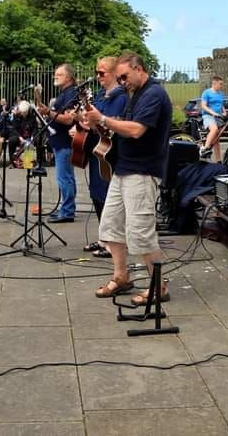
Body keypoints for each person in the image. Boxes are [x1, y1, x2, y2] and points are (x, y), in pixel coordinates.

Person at [83, 51, 172, 304]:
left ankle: (159, 287)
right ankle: (121, 276)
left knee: (141, 233)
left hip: (143, 172)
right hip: (124, 169)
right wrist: (96, 124)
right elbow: (121, 125)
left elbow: (136, 130)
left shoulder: (154, 94)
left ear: (139, 68)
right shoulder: (134, 93)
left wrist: (102, 118)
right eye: (119, 78)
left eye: (124, 76)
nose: (122, 82)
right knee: (110, 226)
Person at [80, 56, 127, 258]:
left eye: (102, 73)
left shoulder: (120, 97)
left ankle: (112, 242)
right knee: (96, 194)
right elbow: (93, 122)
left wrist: (96, 121)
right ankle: (103, 238)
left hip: (111, 152)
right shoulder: (100, 95)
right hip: (97, 150)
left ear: (115, 73)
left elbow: (111, 124)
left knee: (109, 197)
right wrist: (82, 121)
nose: (97, 76)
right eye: (96, 72)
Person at [38, 64, 78, 223]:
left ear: (69, 77)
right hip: (59, 142)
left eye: (59, 75)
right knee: (67, 176)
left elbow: (69, 118)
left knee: (64, 177)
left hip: (64, 142)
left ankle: (67, 211)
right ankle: (67, 208)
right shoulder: (64, 93)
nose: (55, 77)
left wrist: (48, 112)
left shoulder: (71, 93)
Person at [199, 76, 227, 162]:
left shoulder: (221, 94)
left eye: (222, 84)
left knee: (216, 140)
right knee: (214, 129)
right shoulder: (206, 92)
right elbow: (203, 105)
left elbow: (221, 104)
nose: (221, 86)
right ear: (214, 83)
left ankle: (218, 160)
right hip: (208, 116)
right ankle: (205, 149)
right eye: (220, 84)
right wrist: (212, 112)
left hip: (217, 117)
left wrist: (224, 111)